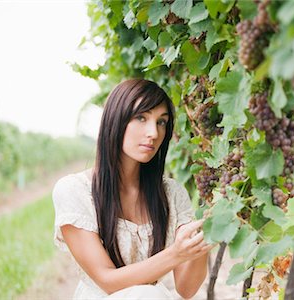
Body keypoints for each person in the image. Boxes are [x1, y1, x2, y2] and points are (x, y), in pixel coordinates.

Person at [52, 79, 214, 299]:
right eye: (141, 118)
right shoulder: (75, 190)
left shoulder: (172, 193)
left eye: (161, 122)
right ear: (116, 120)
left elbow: (186, 289)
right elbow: (108, 281)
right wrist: (175, 253)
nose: (154, 133)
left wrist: (199, 245)